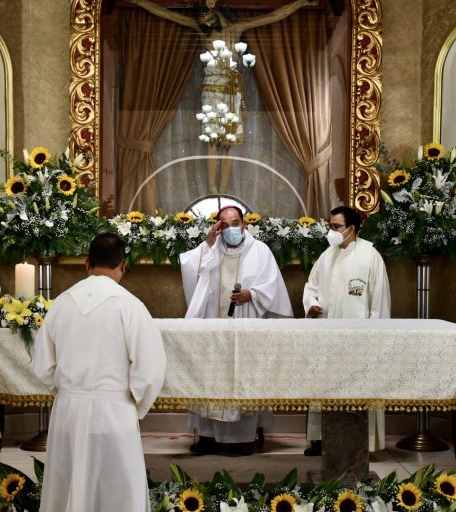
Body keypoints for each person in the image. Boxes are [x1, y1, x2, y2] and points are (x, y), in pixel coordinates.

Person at [33, 233, 166, 512]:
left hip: (68, 410)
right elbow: (150, 369)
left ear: (87, 263)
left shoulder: (62, 303)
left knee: (67, 484)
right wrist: (134, 406)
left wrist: (68, 393)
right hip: (114, 412)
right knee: (116, 490)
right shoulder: (130, 306)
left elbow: (43, 363)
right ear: (123, 266)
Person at [125, 0, 313, 194]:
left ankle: (223, 187)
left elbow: (273, 16)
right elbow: (167, 14)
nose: (205, 23)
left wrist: (300, 3)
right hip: (212, 87)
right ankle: (212, 189)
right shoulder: (200, 29)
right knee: (212, 139)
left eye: (206, 18)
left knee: (229, 141)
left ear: (213, 12)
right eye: (201, 20)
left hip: (232, 88)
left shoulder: (236, 28)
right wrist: (138, 1)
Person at [180, 205, 293, 455]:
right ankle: (207, 437)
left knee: (243, 379)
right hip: (214, 329)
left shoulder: (260, 251)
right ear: (218, 227)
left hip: (246, 328)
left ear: (244, 224)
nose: (231, 229)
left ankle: (243, 438)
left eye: (235, 223)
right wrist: (208, 244)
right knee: (209, 378)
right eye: (225, 224)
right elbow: (192, 271)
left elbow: (273, 286)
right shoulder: (212, 250)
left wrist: (250, 294)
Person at [302, 206, 390, 456]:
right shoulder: (326, 255)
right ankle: (319, 439)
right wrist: (311, 304)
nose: (332, 231)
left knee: (356, 387)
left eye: (336, 227)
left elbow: (379, 300)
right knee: (323, 387)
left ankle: (361, 440)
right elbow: (311, 287)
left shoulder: (370, 255)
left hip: (358, 339)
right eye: (330, 226)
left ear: (352, 228)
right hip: (326, 335)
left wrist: (375, 335)